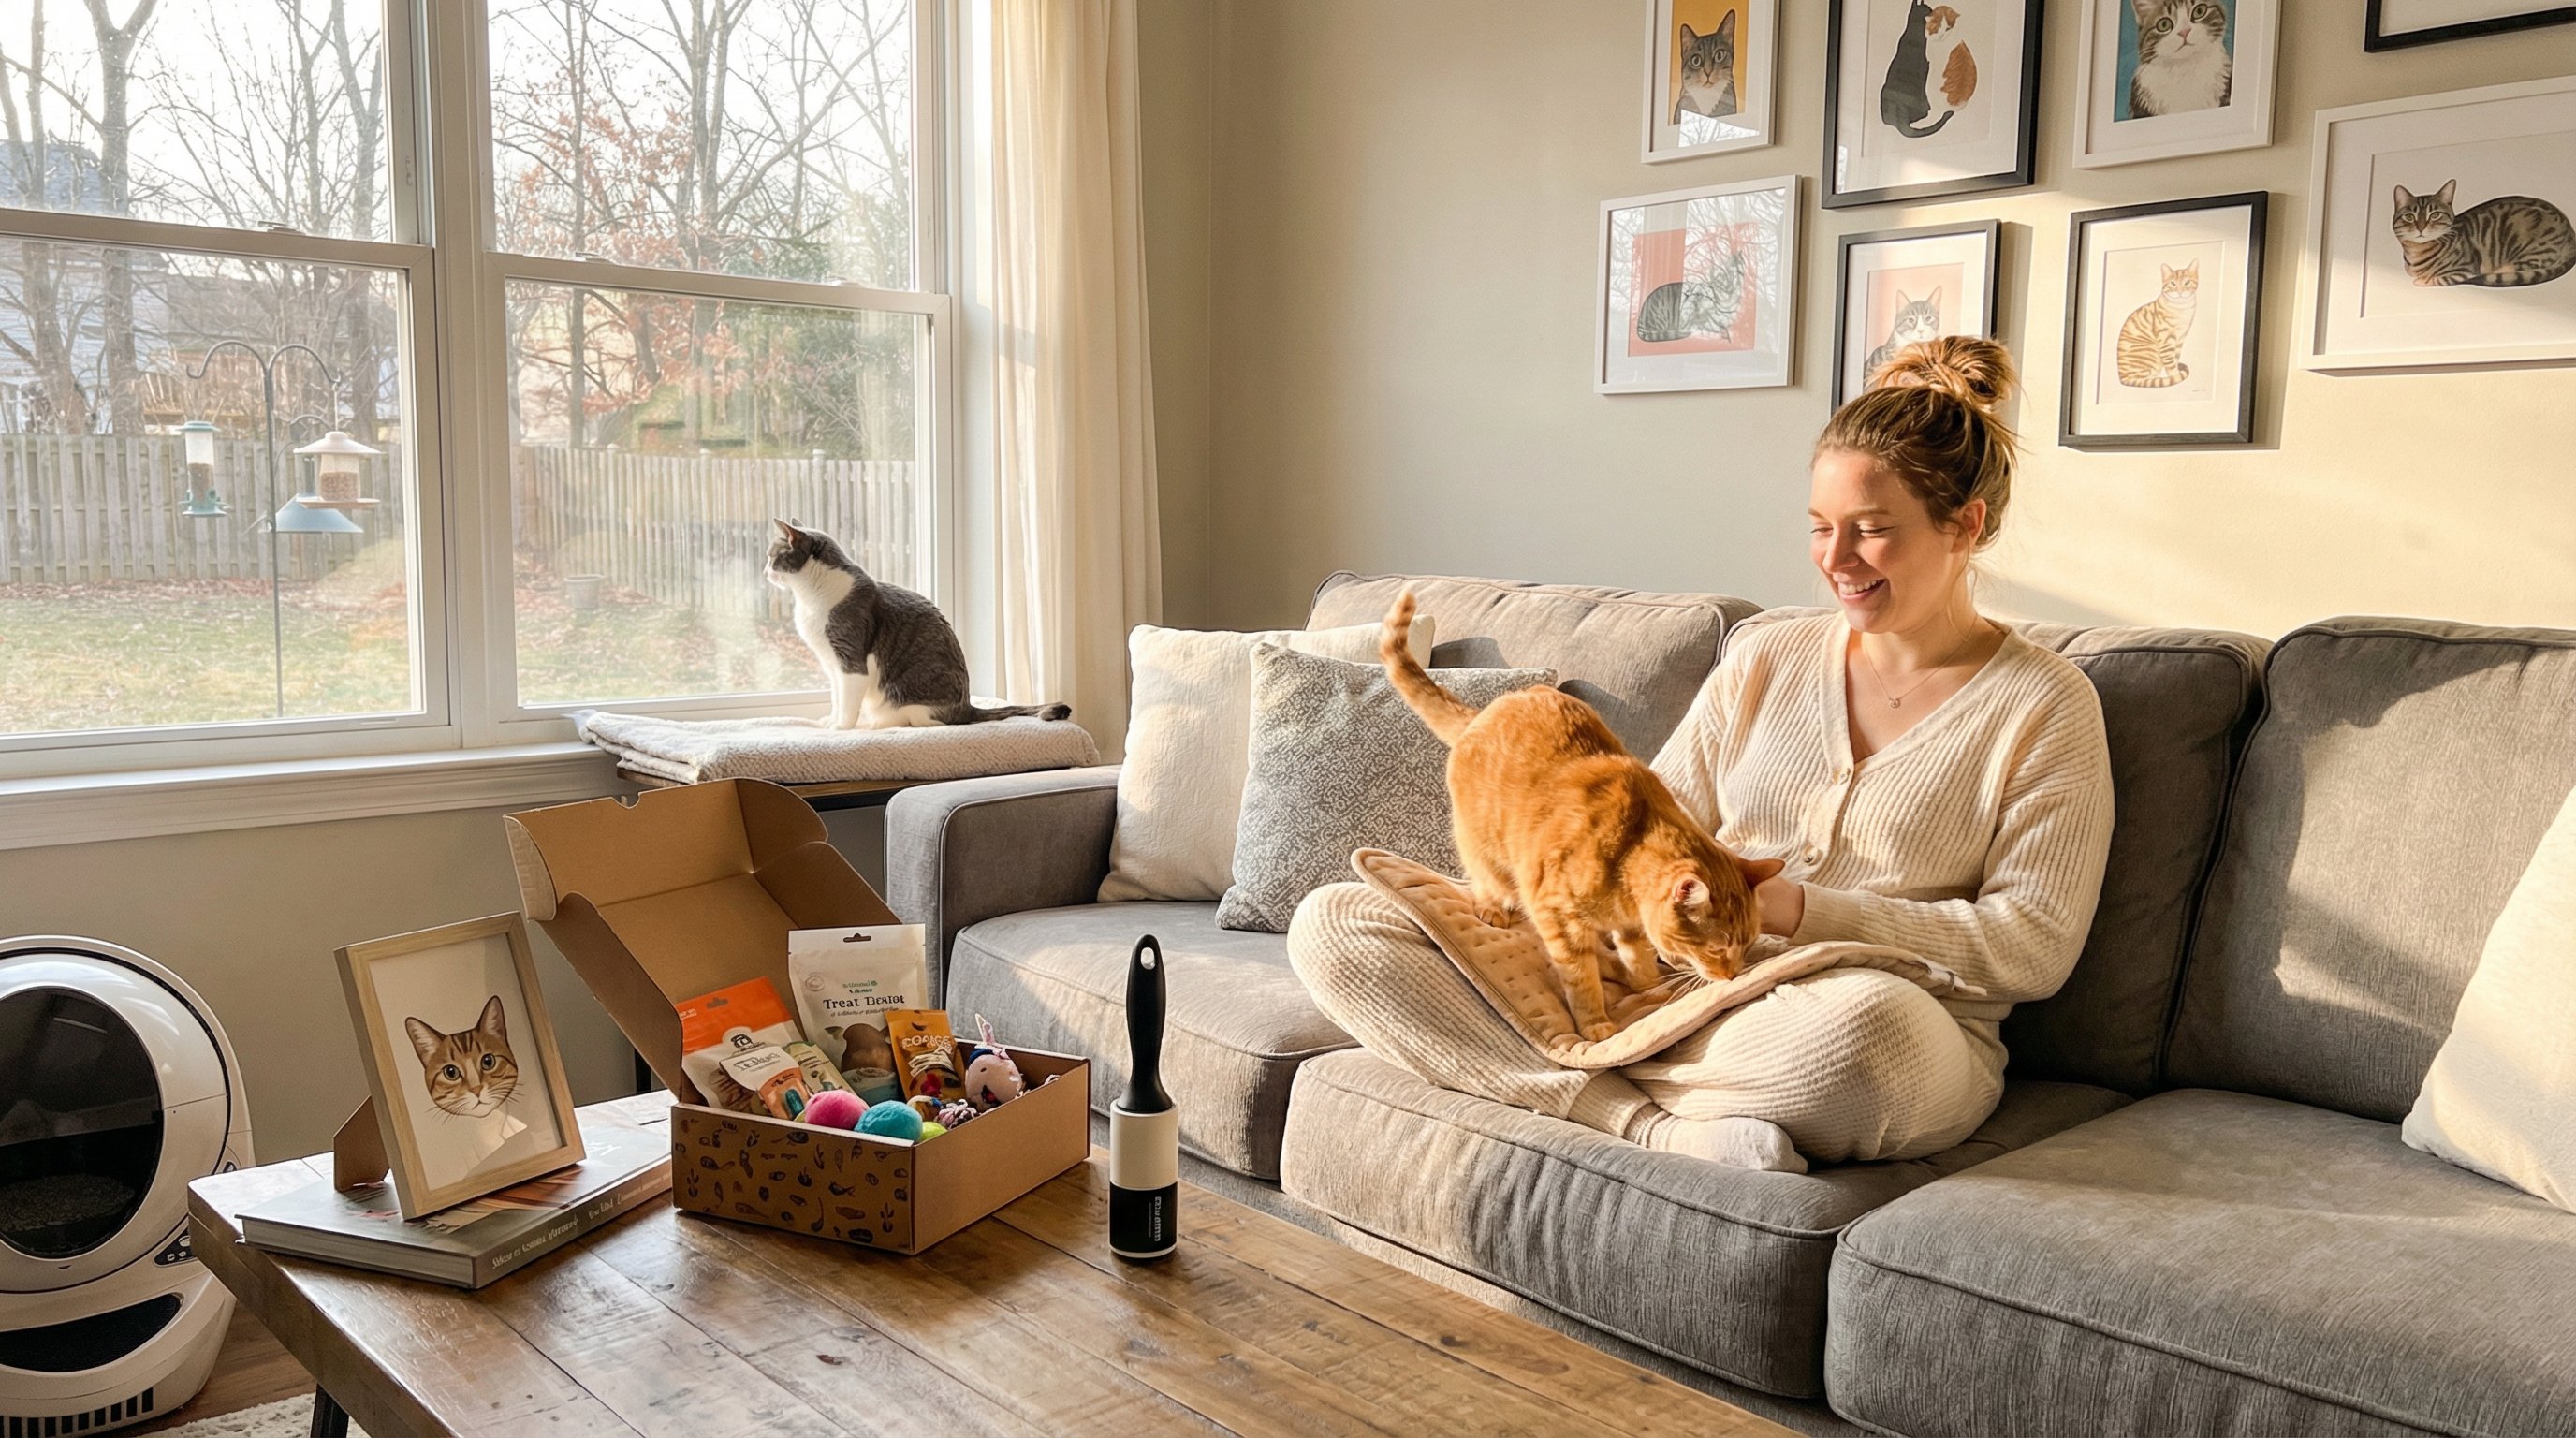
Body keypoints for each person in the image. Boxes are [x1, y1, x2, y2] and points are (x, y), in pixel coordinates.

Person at [1286, 337, 2115, 1171]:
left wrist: (1801, 910)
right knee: (1340, 923)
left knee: (1866, 1043)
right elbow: (1651, 826)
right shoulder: (1766, 656)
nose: (1835, 561)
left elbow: (2031, 947)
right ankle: (1643, 1123)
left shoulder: (2046, 706)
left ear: (1964, 526)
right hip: (1687, 986)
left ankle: (1562, 1066)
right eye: (1821, 529)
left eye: (1871, 532)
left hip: (1869, 1020)